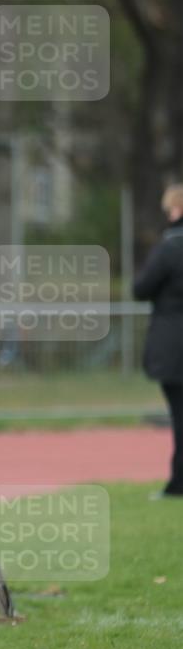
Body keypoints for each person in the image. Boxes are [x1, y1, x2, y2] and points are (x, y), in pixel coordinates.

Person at [134, 184, 183, 498]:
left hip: (174, 345)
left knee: (180, 416)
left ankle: (179, 483)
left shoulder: (170, 246)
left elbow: (141, 288)